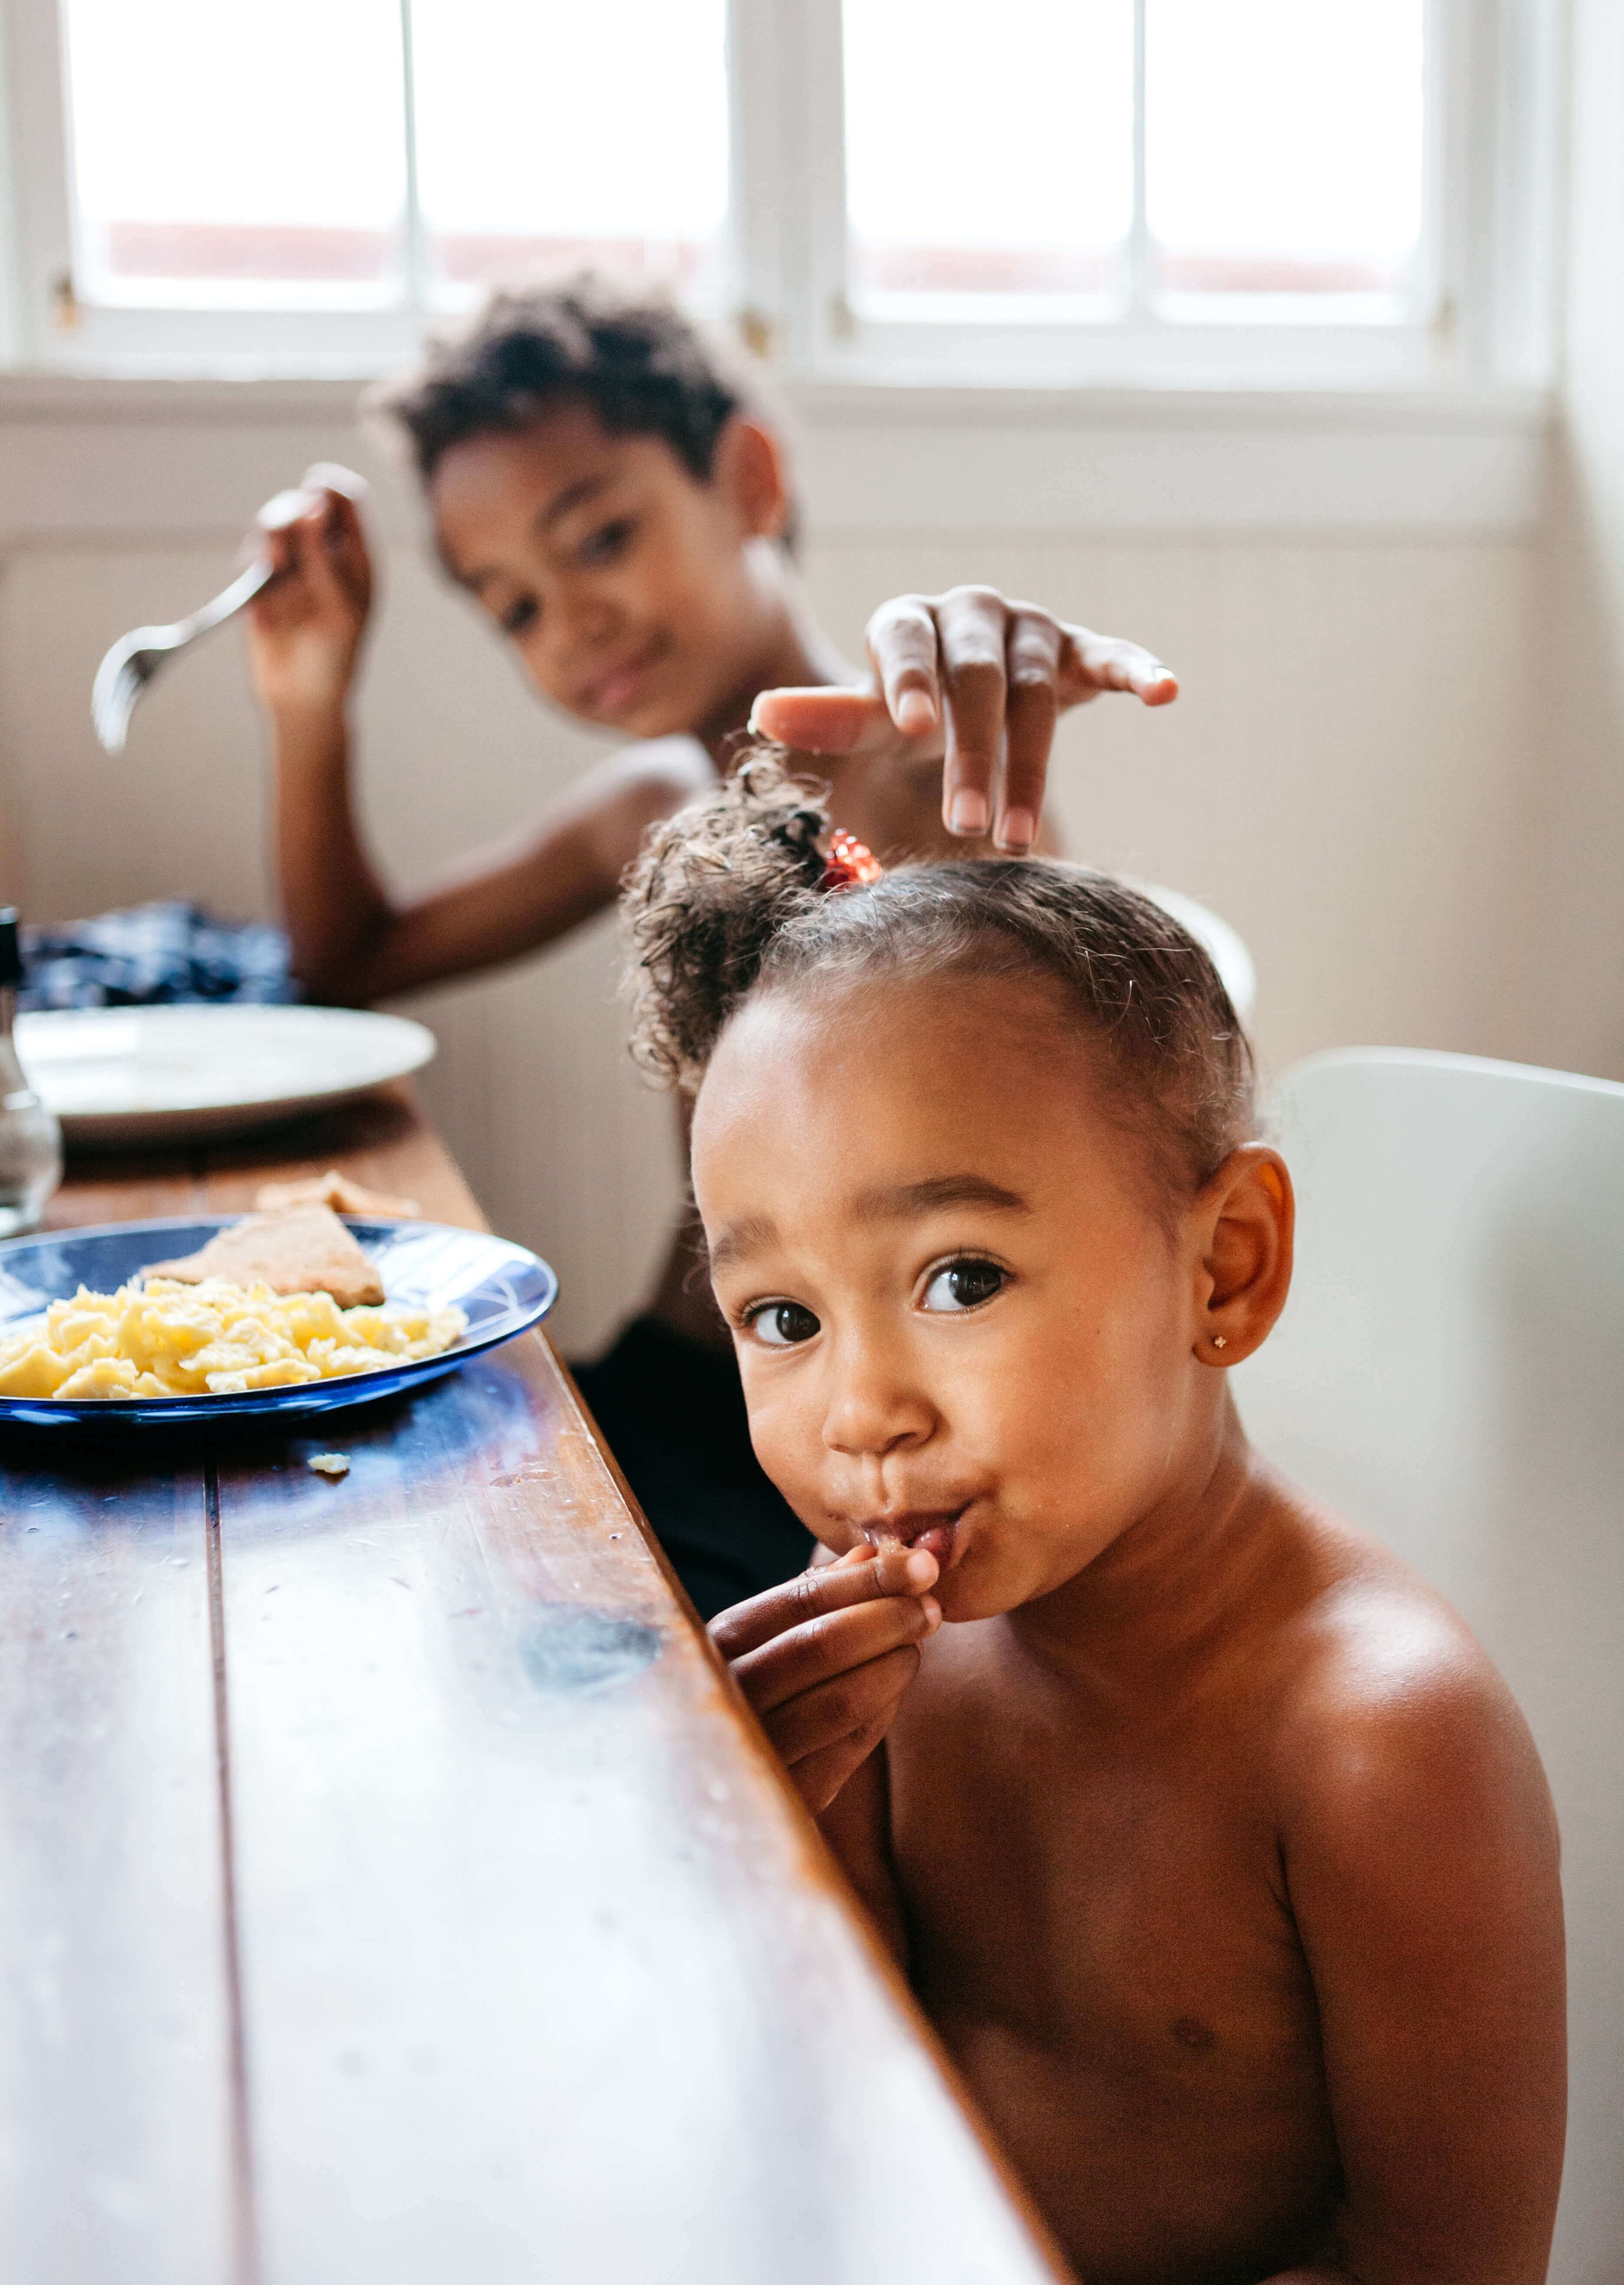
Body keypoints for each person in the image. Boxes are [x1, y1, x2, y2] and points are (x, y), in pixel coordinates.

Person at [620, 752, 1567, 2285]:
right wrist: (764, 1839)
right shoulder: (882, 1634)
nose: (861, 1411)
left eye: (958, 1280)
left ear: (1224, 1267)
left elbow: (1445, 2264)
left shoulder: (1376, 1740)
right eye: (781, 1317)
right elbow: (843, 2085)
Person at [242, 276, 1177, 1615]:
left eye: (601, 537)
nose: (572, 620)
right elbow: (348, 959)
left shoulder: (924, 779)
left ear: (748, 478)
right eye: (514, 607)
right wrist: (308, 698)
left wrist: (955, 749)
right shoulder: (648, 808)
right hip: (675, 1389)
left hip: (831, 1454)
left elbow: (1039, 1026)